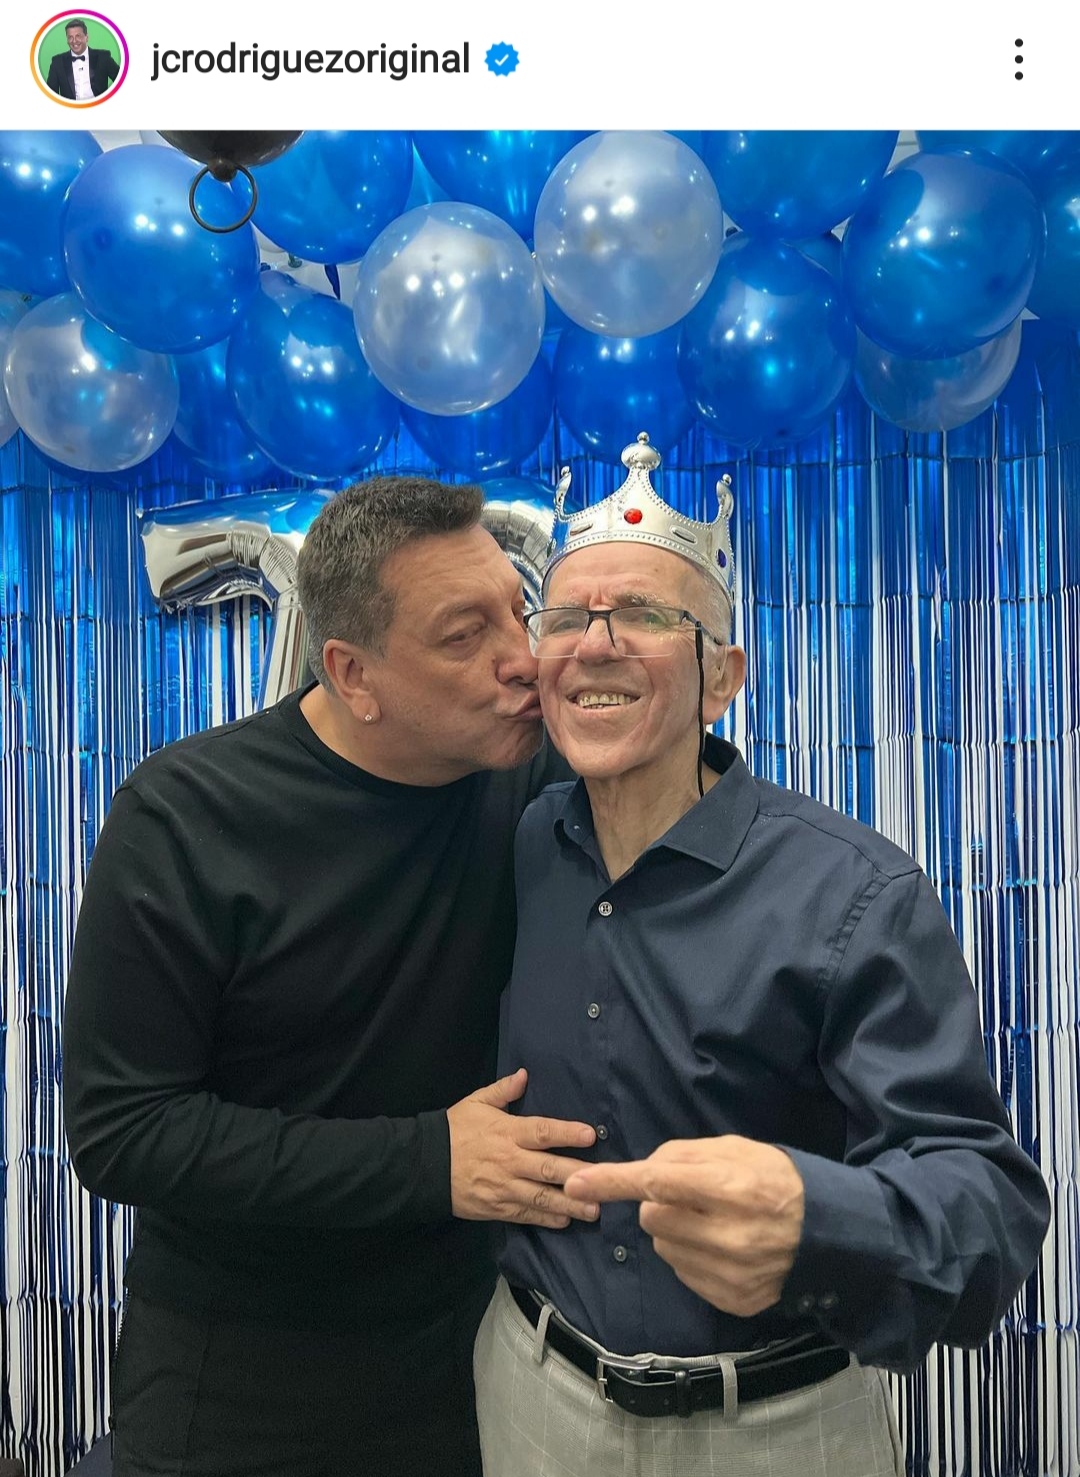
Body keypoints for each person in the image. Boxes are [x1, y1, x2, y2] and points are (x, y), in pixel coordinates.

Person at [474, 434, 1051, 1477]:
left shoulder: (855, 893)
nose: (594, 643)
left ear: (722, 677)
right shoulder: (514, 845)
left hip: (772, 1428)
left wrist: (817, 1222)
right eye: (564, 618)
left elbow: (990, 1206)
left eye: (644, 614)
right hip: (532, 1391)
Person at [61, 476, 599, 1477]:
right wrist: (427, 1161)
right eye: (464, 636)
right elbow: (123, 1130)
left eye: (517, 613)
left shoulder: (535, 783)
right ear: (353, 673)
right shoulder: (185, 819)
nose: (521, 660)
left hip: (465, 1346)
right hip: (241, 1366)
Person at [44, 19, 119, 100]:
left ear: (86, 37)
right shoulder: (57, 62)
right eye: (70, 37)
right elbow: (50, 95)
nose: (74, 41)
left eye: (78, 36)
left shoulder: (103, 58)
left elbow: (122, 81)